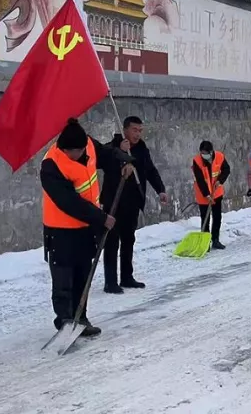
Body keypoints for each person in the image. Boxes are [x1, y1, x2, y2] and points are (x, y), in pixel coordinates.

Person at [40, 118, 131, 337]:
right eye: (73, 152)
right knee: (63, 279)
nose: (78, 155)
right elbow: (69, 202)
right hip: (60, 231)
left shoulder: (88, 145)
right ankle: (65, 321)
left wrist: (123, 159)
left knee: (84, 274)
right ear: (63, 148)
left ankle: (81, 317)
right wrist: (101, 217)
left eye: (81, 150)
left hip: (84, 229)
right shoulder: (51, 165)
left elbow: (106, 154)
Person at [97, 115, 169, 294]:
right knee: (112, 242)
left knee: (128, 240)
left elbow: (150, 170)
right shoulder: (112, 147)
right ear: (126, 129)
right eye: (135, 130)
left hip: (132, 201)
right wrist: (119, 150)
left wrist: (160, 189)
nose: (138, 134)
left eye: (140, 130)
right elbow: (100, 161)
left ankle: (127, 277)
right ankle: (110, 281)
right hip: (114, 202)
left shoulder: (142, 149)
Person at [192, 140, 231, 250]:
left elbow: (226, 169)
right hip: (203, 196)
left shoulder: (219, 156)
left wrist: (220, 180)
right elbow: (200, 180)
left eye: (205, 153)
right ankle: (205, 243)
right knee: (205, 219)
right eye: (202, 153)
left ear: (211, 152)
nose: (203, 155)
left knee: (217, 217)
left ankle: (215, 240)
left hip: (216, 193)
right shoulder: (197, 161)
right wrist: (207, 195)